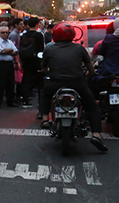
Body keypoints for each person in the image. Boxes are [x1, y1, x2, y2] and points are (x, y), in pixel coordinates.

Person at [39, 23, 108, 152]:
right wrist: (89, 73)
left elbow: (43, 68)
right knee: (92, 107)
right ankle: (96, 135)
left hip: (56, 83)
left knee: (44, 93)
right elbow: (90, 67)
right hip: (77, 83)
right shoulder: (79, 48)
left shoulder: (49, 49)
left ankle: (44, 119)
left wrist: (50, 73)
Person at [18, 17, 46, 114]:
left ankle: (25, 99)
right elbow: (41, 50)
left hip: (26, 60)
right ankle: (40, 102)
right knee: (40, 82)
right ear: (37, 24)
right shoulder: (39, 35)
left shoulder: (24, 35)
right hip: (36, 61)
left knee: (26, 79)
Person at [0, 26, 19, 108]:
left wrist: (7, 51)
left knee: (10, 83)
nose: (5, 34)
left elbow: (16, 51)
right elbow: (2, 51)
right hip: (0, 64)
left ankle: (10, 101)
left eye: (7, 32)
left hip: (9, 63)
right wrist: (10, 50)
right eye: (3, 32)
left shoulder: (9, 42)